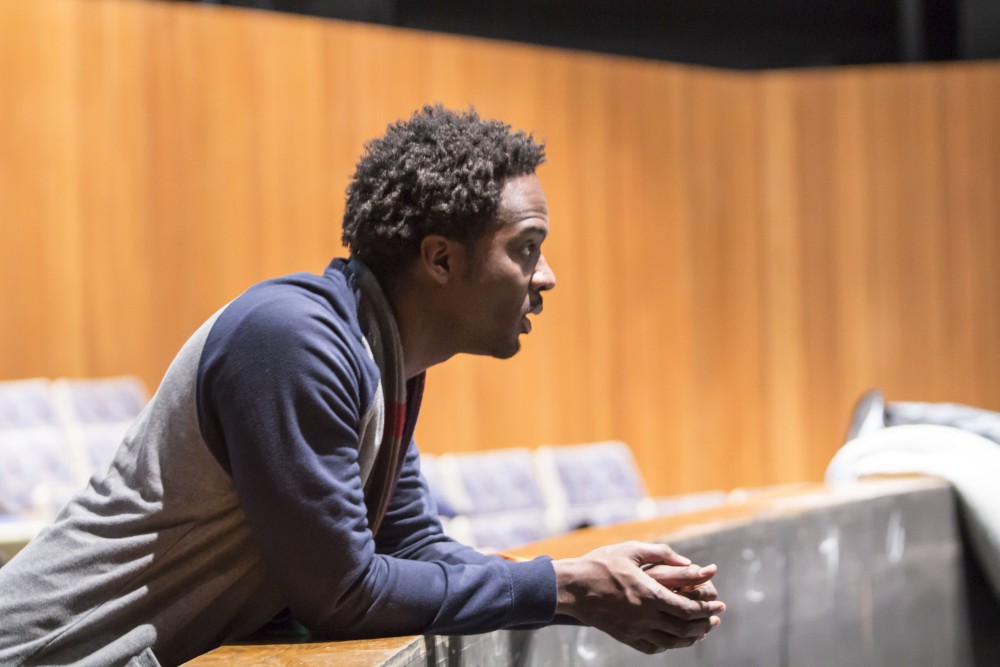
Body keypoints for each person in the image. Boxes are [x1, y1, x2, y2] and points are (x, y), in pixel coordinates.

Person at [0, 106, 724, 666]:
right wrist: (566, 587)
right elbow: (344, 594)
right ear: (440, 259)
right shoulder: (293, 340)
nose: (546, 277)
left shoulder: (385, 357)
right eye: (526, 248)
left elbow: (412, 550)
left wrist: (589, 587)